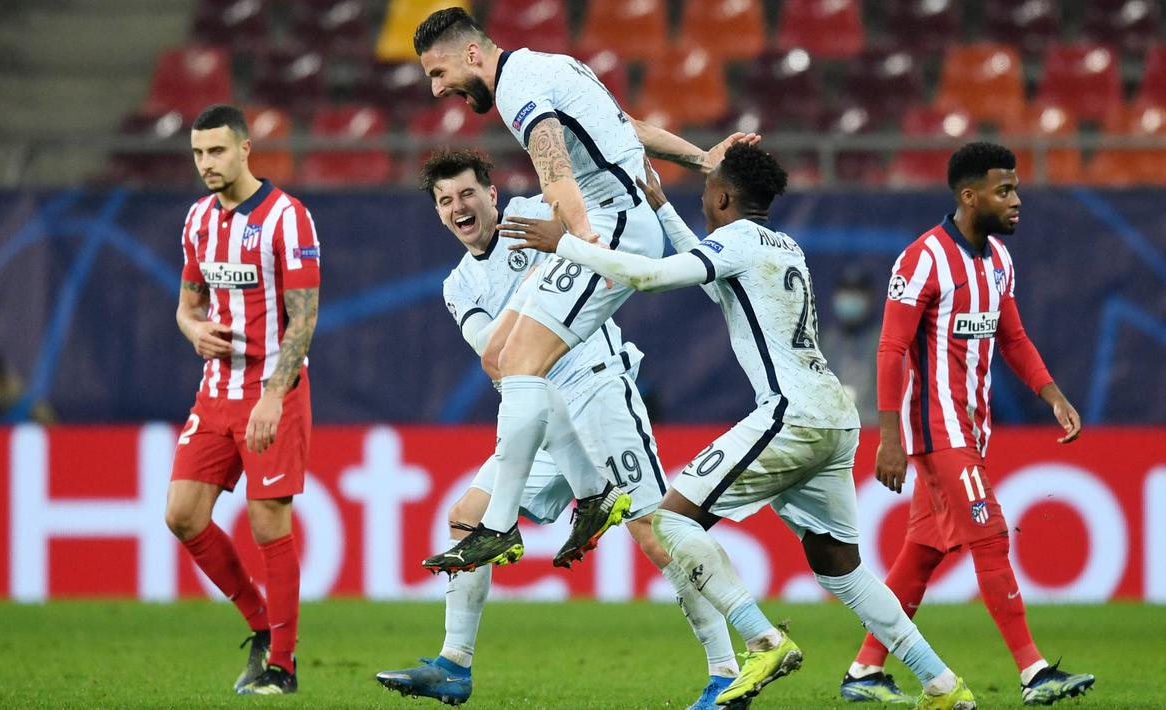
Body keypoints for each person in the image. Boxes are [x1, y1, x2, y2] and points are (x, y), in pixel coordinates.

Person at [502, 145, 977, 710]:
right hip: (836, 419)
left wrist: (567, 245)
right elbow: (715, 279)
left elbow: (652, 276)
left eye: (707, 191)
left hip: (790, 413)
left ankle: (763, 640)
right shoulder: (784, 246)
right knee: (840, 568)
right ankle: (944, 684)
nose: (702, 199)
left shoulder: (738, 243)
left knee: (669, 522)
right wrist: (664, 212)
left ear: (724, 196)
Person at [377, 149, 740, 709]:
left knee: (654, 532)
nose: (459, 207)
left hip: (596, 387)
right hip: (539, 415)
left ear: (492, 195)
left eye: (468, 194)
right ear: (439, 214)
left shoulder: (534, 212)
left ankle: (726, 672)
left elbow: (593, 211)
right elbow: (495, 353)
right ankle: (454, 665)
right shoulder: (459, 287)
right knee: (466, 520)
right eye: (445, 201)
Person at [412, 6, 755, 575]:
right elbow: (624, 130)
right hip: (616, 220)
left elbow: (556, 173)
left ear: (472, 54)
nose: (436, 88)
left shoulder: (518, 89)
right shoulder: (553, 67)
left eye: (438, 72)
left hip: (611, 224)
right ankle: (591, 493)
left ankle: (500, 526)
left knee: (520, 361)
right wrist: (701, 159)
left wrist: (583, 241)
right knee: (501, 356)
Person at [836, 142, 1095, 706]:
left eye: (1016, 188)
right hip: (937, 429)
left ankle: (864, 671)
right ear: (969, 195)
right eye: (1005, 190)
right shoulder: (923, 258)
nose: (1017, 200)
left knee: (923, 550)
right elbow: (891, 348)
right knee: (991, 533)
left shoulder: (999, 261)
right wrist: (890, 438)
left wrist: (1052, 395)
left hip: (972, 430)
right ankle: (1034, 672)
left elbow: (1014, 338)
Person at [163, 104, 321, 696]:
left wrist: (274, 396)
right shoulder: (197, 220)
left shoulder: (288, 218)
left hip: (272, 392)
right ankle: (260, 626)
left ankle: (283, 665)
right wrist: (191, 329)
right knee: (182, 514)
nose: (207, 163)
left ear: (245, 149)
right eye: (199, 153)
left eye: (218, 151)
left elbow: (304, 319)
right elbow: (188, 304)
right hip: (216, 391)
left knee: (266, 518)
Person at [820, 266, 881, 425]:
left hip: (873, 431)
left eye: (856, 293)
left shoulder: (882, 343)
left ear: (870, 297)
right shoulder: (827, 342)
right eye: (845, 292)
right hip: (831, 431)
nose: (849, 298)